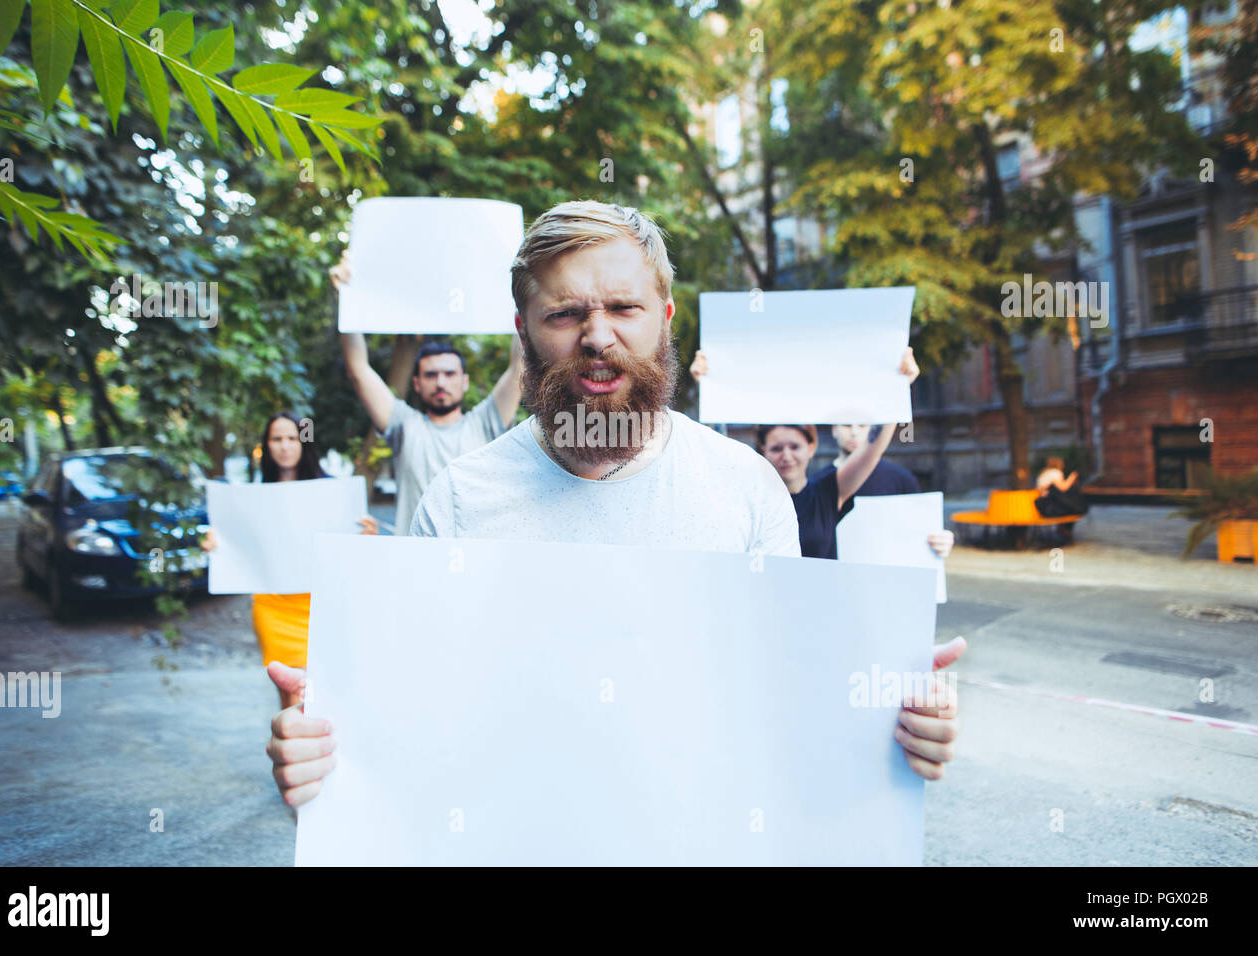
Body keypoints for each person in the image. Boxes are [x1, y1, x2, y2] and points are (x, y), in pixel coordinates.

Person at [267, 200, 964, 808]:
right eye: (565, 313)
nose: (597, 336)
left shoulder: (746, 489)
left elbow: (787, 699)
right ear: (523, 331)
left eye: (623, 308)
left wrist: (892, 724)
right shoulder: (456, 506)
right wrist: (323, 759)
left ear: (663, 318)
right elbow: (405, 722)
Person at [330, 253, 524, 536]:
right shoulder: (405, 426)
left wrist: (523, 293)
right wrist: (345, 296)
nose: (441, 382)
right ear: (417, 384)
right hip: (414, 562)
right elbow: (358, 369)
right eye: (431, 375)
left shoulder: (485, 422)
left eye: (449, 374)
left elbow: (520, 363)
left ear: (464, 382)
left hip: (476, 559)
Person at [200, 411, 377, 710]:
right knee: (292, 699)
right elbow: (236, 548)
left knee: (328, 696)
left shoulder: (334, 492)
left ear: (304, 442)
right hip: (274, 609)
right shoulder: (250, 500)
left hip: (322, 608)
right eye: (277, 439)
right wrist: (217, 546)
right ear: (266, 446)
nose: (285, 445)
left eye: (292, 438)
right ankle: (294, 756)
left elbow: (354, 555)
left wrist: (367, 537)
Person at [687, 354, 924, 559]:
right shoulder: (749, 499)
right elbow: (715, 448)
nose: (786, 456)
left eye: (795, 447)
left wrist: (899, 387)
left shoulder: (827, 492)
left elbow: (873, 447)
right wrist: (707, 387)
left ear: (811, 448)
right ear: (763, 451)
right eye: (777, 448)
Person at [831, 424, 955, 558]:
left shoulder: (901, 479)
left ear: (873, 430)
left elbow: (921, 532)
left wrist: (940, 542)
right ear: (834, 430)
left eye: (862, 425)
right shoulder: (816, 484)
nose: (854, 432)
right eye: (847, 425)